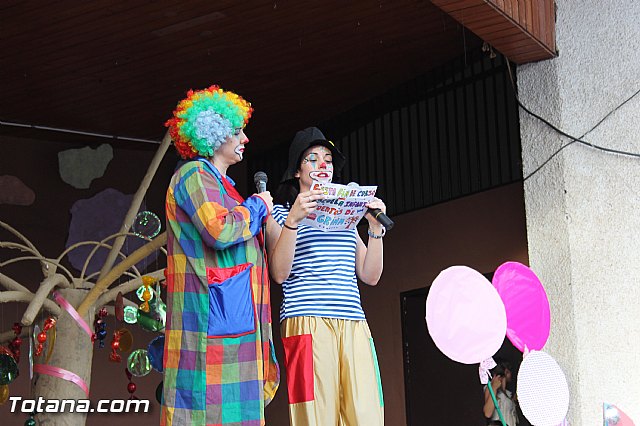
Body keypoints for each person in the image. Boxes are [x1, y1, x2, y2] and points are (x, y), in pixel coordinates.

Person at [162, 85, 279, 425]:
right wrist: (257, 206)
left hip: (232, 315)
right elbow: (219, 230)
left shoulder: (224, 186)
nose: (245, 139)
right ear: (213, 134)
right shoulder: (193, 175)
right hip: (209, 319)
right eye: (237, 132)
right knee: (204, 409)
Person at [266, 127, 387, 426]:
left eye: (328, 160)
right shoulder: (280, 214)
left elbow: (370, 276)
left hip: (353, 321)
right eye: (313, 159)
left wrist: (374, 229)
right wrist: (293, 220)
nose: (323, 165)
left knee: (366, 413)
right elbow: (279, 274)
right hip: (306, 318)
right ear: (297, 171)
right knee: (316, 415)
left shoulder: (346, 217)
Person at [483, 358, 519, 426]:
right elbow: (487, 413)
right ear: (506, 371)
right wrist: (494, 387)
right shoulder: (491, 387)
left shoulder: (508, 394)